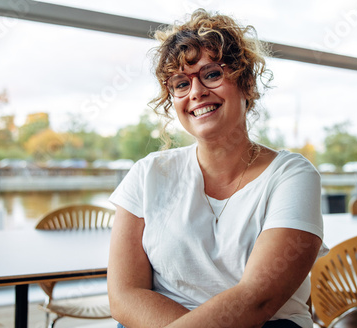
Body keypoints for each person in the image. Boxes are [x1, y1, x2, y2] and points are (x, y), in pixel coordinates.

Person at [107, 9, 327, 328]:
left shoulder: (292, 175)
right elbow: (124, 296)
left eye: (211, 75)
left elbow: (257, 299)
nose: (196, 92)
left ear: (246, 83)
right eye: (181, 83)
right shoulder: (147, 173)